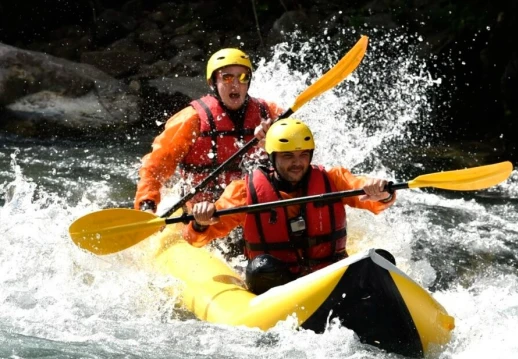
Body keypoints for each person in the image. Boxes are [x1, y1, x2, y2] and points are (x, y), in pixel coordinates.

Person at [187, 118, 397, 294]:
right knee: (260, 268)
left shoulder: (333, 180)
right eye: (288, 156)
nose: (297, 163)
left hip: (328, 274)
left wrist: (381, 191)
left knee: (379, 259)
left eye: (303, 155)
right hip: (278, 283)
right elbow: (198, 237)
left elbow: (366, 192)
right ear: (273, 157)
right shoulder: (245, 191)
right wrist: (200, 222)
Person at [134, 48, 284, 213]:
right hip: (202, 214)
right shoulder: (192, 118)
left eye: (243, 77)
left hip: (251, 205)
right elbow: (157, 166)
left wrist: (275, 139)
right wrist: (147, 204)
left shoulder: (269, 114)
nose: (235, 84)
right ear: (213, 82)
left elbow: (297, 153)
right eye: (227, 77)